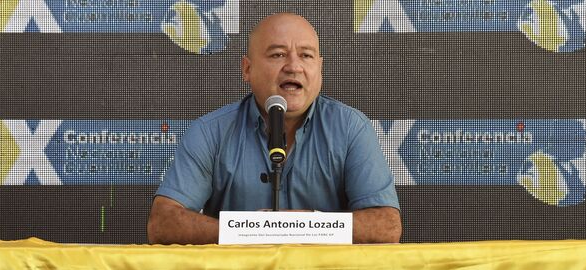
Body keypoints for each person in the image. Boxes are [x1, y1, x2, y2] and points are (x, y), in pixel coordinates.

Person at [147, 13, 402, 244]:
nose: (293, 66)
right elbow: (163, 224)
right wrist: (253, 230)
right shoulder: (209, 131)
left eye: (306, 55)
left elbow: (386, 226)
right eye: (278, 54)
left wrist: (298, 226)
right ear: (247, 69)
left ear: (319, 69)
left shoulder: (351, 128)